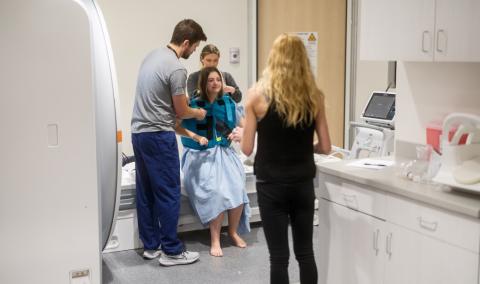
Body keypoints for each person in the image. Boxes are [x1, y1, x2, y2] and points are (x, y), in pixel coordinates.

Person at [236, 34, 332, 284]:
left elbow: (246, 149)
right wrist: (302, 147)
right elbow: (326, 146)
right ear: (303, 61)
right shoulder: (315, 97)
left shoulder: (256, 97)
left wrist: (243, 132)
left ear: (273, 59)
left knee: (278, 258)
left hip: (271, 186)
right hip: (302, 184)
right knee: (306, 253)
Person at [130, 19, 207, 267]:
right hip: (158, 136)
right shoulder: (176, 68)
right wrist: (198, 113)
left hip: (139, 133)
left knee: (147, 191)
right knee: (169, 191)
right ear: (186, 42)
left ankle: (151, 246)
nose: (193, 52)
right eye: (194, 47)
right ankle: (172, 251)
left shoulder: (151, 56)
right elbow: (182, 111)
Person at [180, 66, 251, 257]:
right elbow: (177, 125)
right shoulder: (193, 105)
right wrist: (196, 138)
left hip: (225, 152)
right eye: (210, 80)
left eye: (218, 80)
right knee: (216, 192)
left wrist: (242, 132)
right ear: (204, 83)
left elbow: (246, 126)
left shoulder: (228, 103)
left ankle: (233, 232)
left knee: (237, 189)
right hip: (200, 156)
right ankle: (215, 239)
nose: (215, 83)